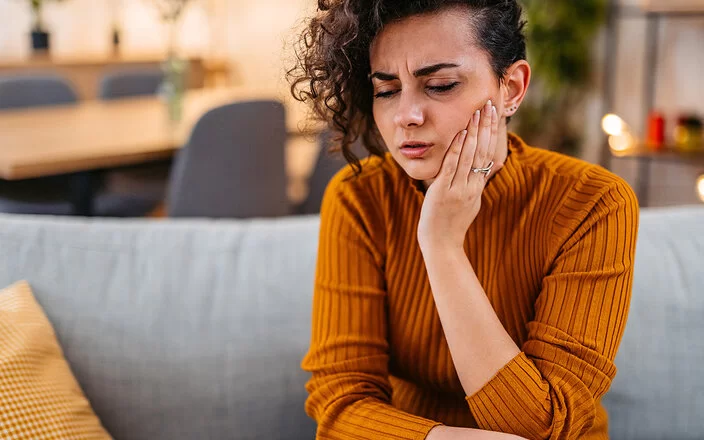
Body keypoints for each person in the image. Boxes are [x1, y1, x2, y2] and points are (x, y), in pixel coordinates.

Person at [288, 1, 639, 439]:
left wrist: (443, 245)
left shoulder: (593, 203)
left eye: (440, 85)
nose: (406, 116)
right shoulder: (360, 200)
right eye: (387, 90)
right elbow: (340, 405)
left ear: (511, 88)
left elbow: (547, 427)